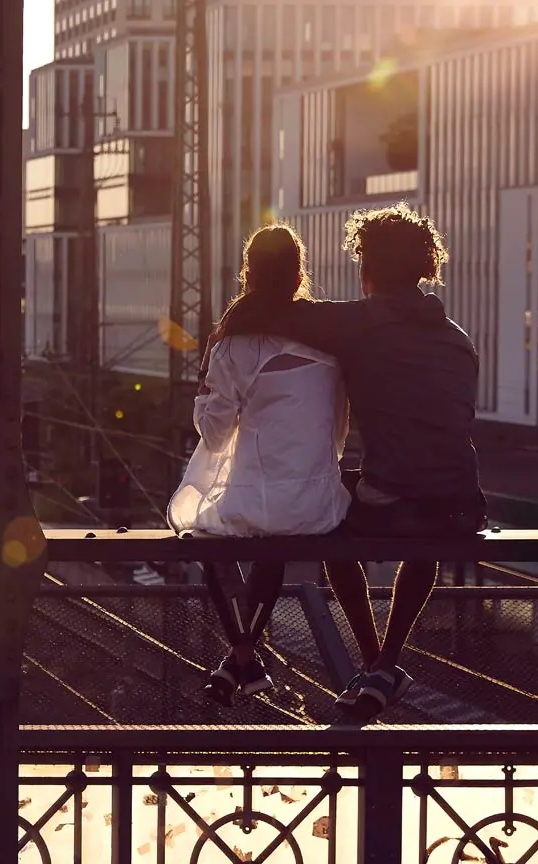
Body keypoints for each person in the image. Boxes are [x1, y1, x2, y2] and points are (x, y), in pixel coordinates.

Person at [221, 202, 487, 720]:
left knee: (327, 514)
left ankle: (372, 662)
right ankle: (384, 665)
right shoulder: (458, 337)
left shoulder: (358, 323)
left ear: (367, 268)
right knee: (424, 517)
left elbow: (275, 310)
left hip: (396, 503)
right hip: (463, 504)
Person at [168, 224, 352, 707]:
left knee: (206, 536)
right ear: (298, 278)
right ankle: (241, 663)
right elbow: (336, 430)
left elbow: (214, 434)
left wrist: (203, 398)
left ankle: (243, 655)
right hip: (320, 504)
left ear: (248, 275)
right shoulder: (331, 344)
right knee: (272, 540)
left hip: (267, 502)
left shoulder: (234, 345)